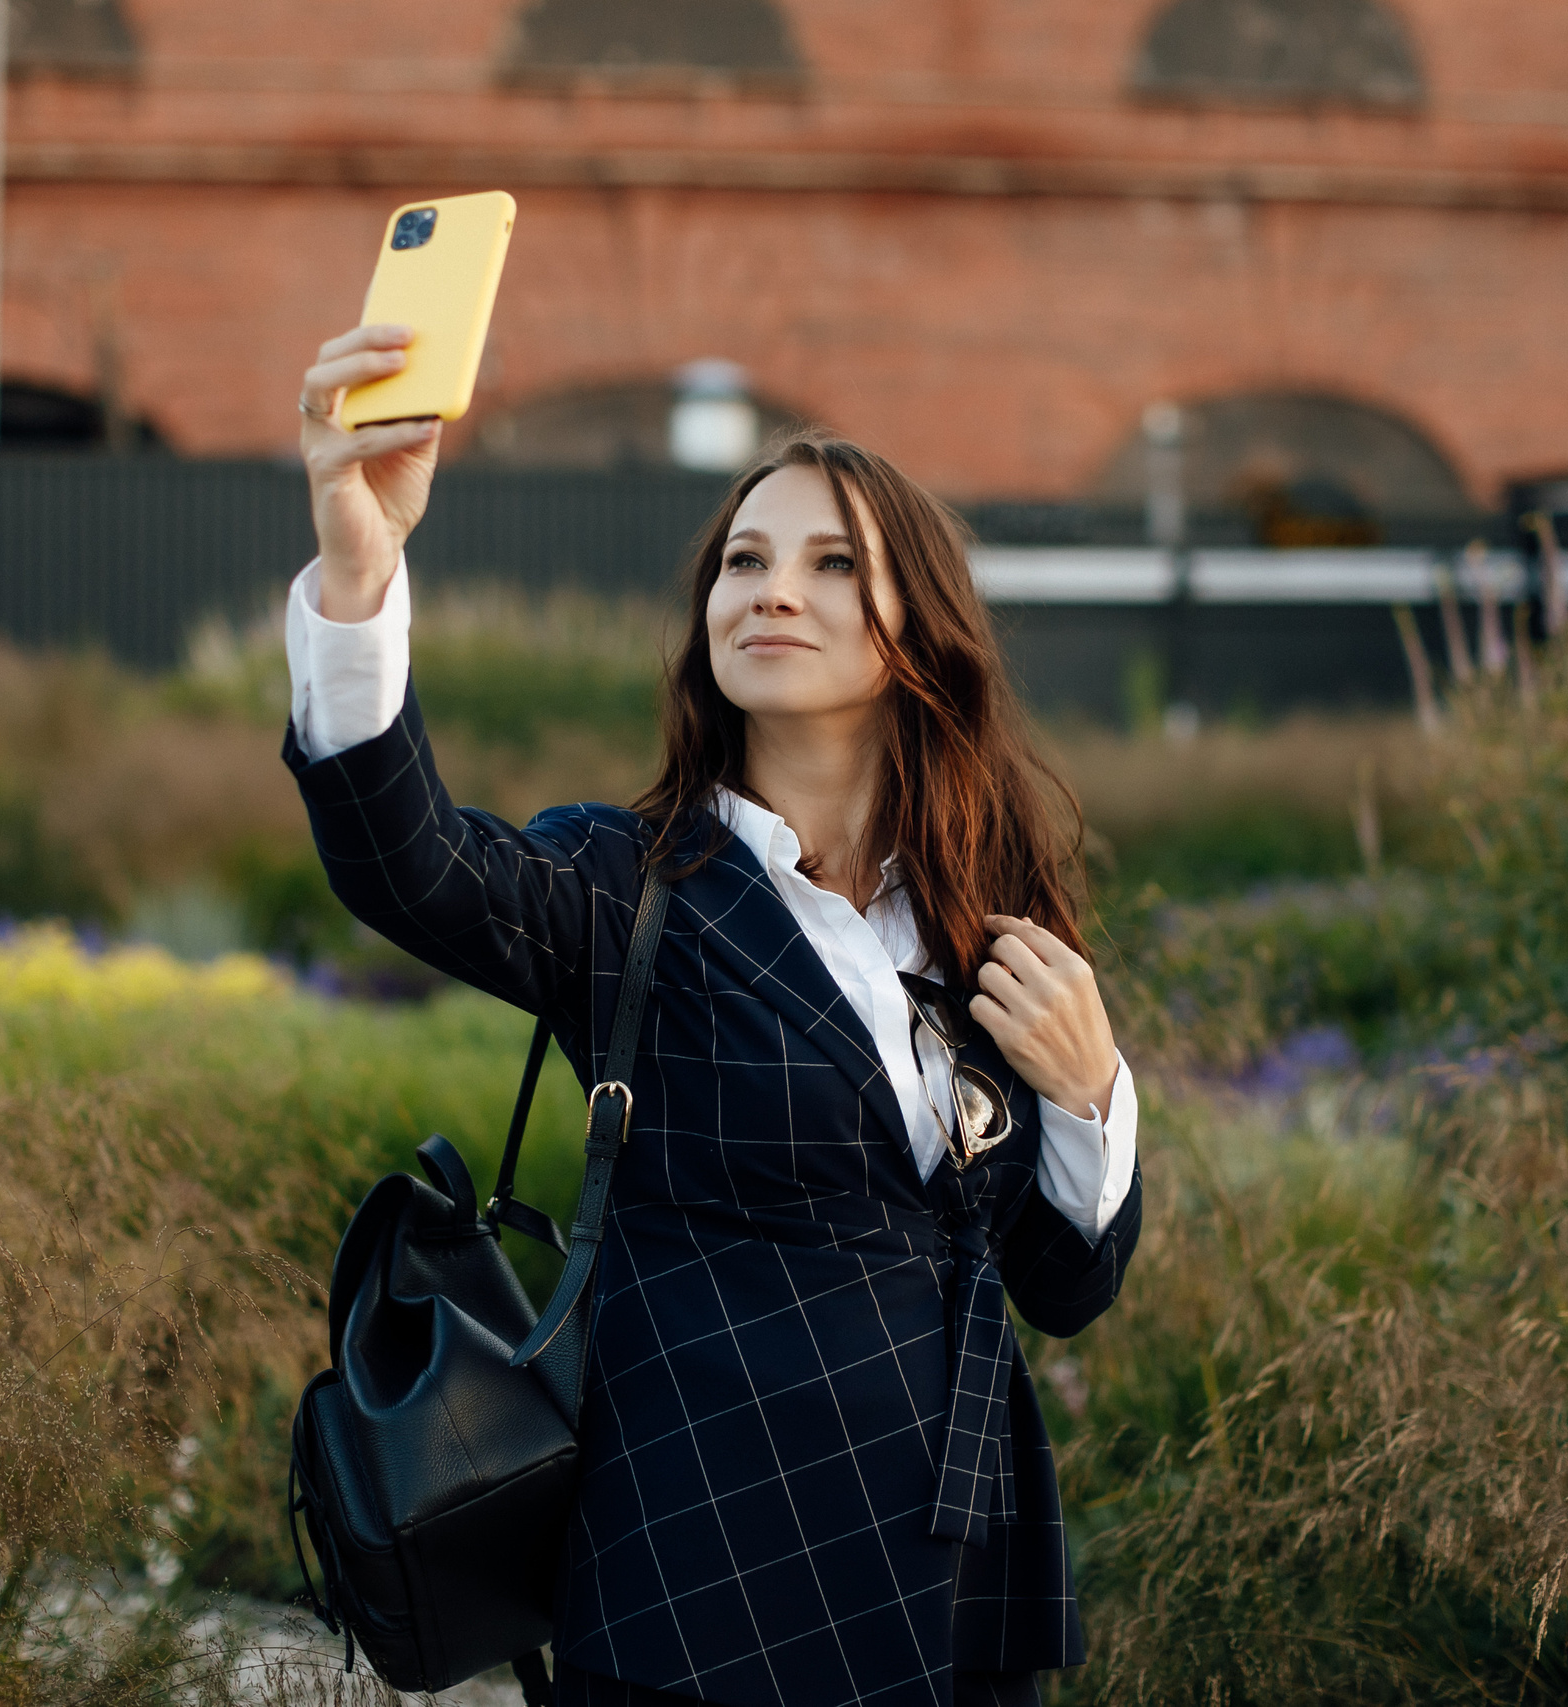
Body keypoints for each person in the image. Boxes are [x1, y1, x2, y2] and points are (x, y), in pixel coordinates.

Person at [285, 324, 1143, 1707]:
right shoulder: (627, 882)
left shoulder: (992, 912)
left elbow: (1061, 1287)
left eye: (831, 563)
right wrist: (360, 567)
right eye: (745, 562)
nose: (771, 592)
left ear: (920, 624)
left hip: (957, 1578)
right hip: (700, 1580)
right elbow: (410, 865)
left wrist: (1094, 1098)